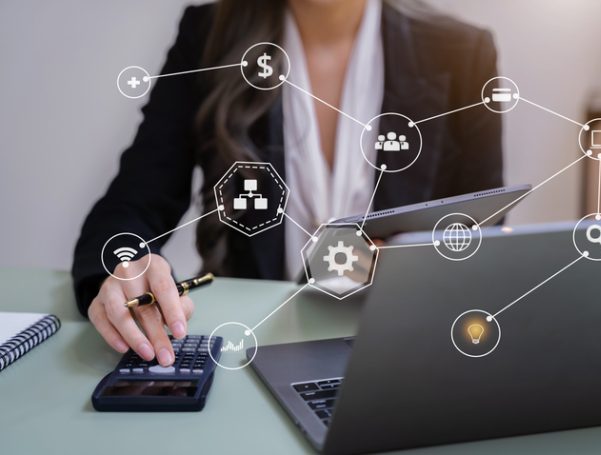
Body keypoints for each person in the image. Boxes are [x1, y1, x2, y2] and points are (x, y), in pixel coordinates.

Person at [72, 0, 503, 367]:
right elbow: (132, 205)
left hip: (406, 355)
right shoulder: (207, 38)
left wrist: (416, 262)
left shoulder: (461, 53)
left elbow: (482, 233)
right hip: (250, 353)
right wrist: (126, 269)